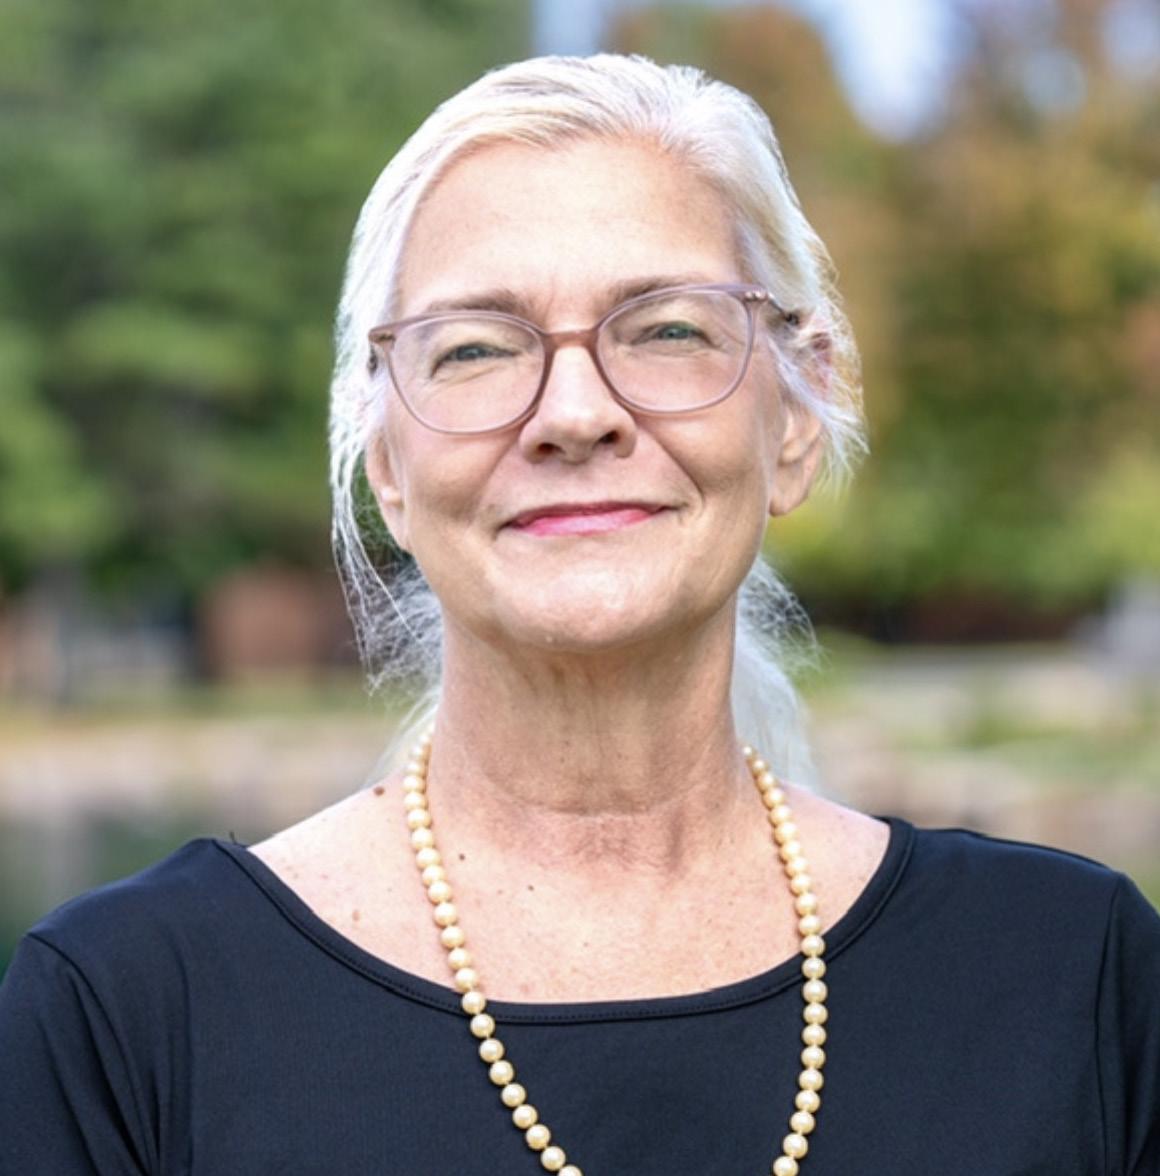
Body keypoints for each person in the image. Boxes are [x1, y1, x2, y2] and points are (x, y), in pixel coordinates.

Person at [1, 53, 1157, 1176]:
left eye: (665, 329)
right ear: (388, 466)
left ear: (795, 418)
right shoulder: (122, 1017)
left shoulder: (1070, 975)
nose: (572, 414)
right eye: (474, 348)